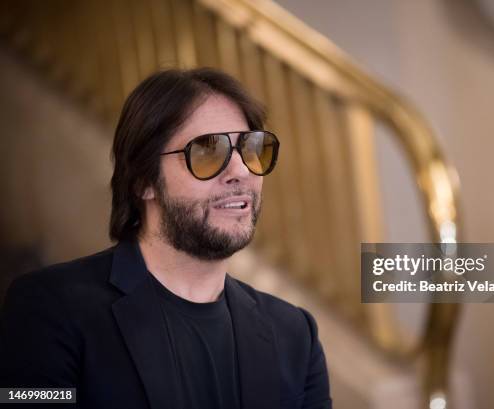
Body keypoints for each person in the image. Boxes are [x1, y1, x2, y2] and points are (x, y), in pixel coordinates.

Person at [0, 68, 332, 409]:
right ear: (143, 181)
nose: (242, 171)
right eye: (207, 151)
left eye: (251, 149)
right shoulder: (50, 309)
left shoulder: (294, 334)